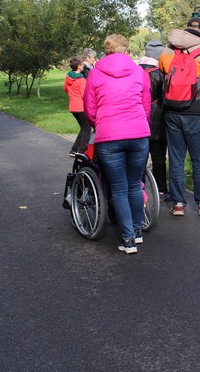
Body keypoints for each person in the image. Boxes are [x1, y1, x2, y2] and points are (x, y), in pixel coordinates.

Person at [84, 34, 151, 254]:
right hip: (138, 134)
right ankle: (137, 231)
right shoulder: (139, 72)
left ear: (106, 51)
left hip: (109, 135)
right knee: (135, 185)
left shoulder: (95, 73)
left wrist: (100, 124)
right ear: (126, 49)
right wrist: (139, 123)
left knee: (119, 189)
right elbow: (146, 105)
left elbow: (90, 108)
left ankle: (128, 238)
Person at [158, 17, 200, 216]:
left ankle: (178, 204)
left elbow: (163, 74)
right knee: (199, 158)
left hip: (172, 110)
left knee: (176, 158)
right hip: (196, 111)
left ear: (186, 28)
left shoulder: (168, 50)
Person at [138, 39, 168, 199]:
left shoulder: (135, 70)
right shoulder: (161, 72)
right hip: (158, 120)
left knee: (139, 158)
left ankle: (139, 185)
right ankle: (160, 188)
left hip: (138, 119)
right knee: (159, 157)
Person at [64, 56, 90, 156]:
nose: (83, 66)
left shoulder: (68, 77)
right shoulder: (81, 80)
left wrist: (73, 94)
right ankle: (82, 151)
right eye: (82, 64)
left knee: (83, 128)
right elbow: (84, 95)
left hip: (73, 106)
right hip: (81, 107)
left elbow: (65, 89)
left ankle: (74, 149)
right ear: (79, 66)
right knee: (87, 128)